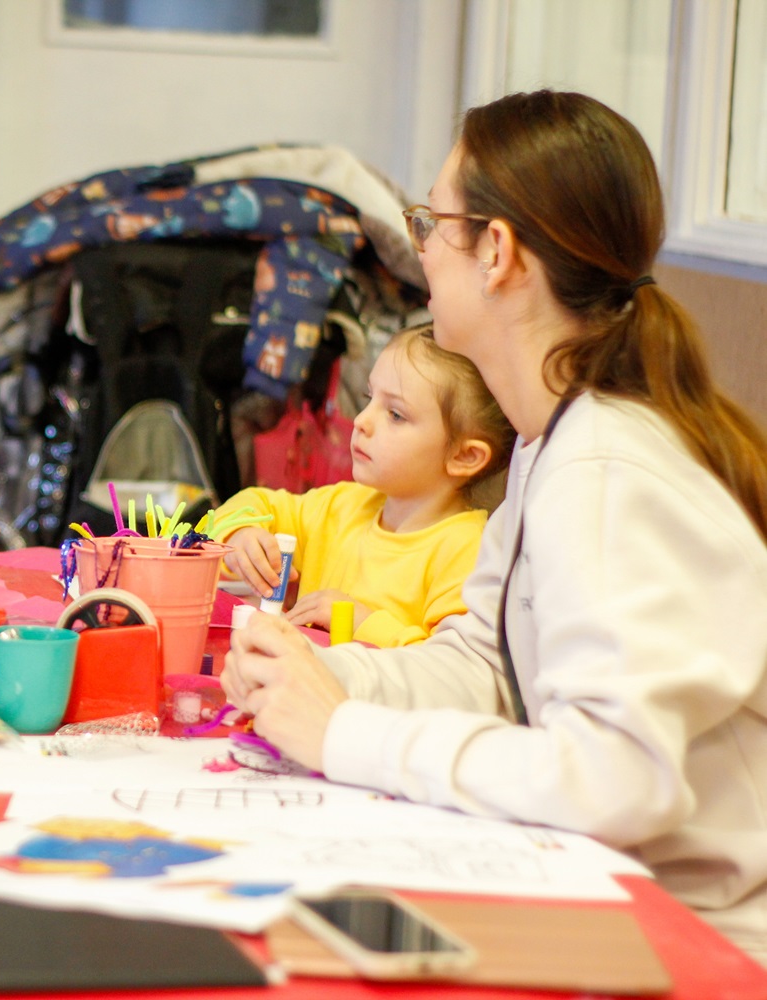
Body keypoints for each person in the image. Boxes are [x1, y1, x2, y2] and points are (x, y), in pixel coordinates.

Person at [223, 91, 767, 964]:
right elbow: (486, 663)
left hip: (699, 942)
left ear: (498, 252)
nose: (422, 249)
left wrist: (345, 734)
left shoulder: (604, 473)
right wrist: (324, 674)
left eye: (431, 224)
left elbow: (617, 779)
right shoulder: (558, 442)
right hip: (609, 897)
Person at [216, 326, 514, 646]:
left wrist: (362, 622)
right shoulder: (343, 505)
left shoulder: (469, 551)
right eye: (369, 398)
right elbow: (252, 505)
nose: (361, 421)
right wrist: (240, 536)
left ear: (464, 455)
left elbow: (453, 670)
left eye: (395, 414)